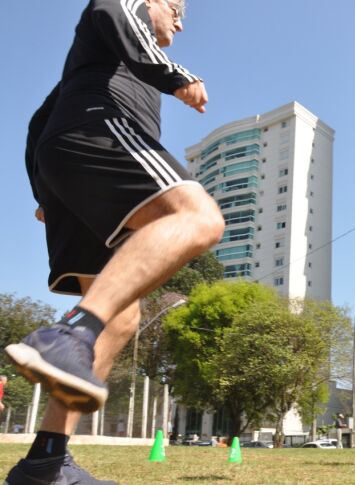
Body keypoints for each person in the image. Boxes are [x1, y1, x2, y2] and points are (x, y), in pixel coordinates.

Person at [4, 1, 223, 483]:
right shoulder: (127, 15)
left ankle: (46, 459)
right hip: (99, 130)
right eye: (176, 8)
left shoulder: (99, 63)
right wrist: (173, 72)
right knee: (199, 217)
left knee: (122, 315)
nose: (181, 22)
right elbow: (112, 6)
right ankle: (69, 334)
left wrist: (46, 188)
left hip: (73, 160)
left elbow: (40, 118)